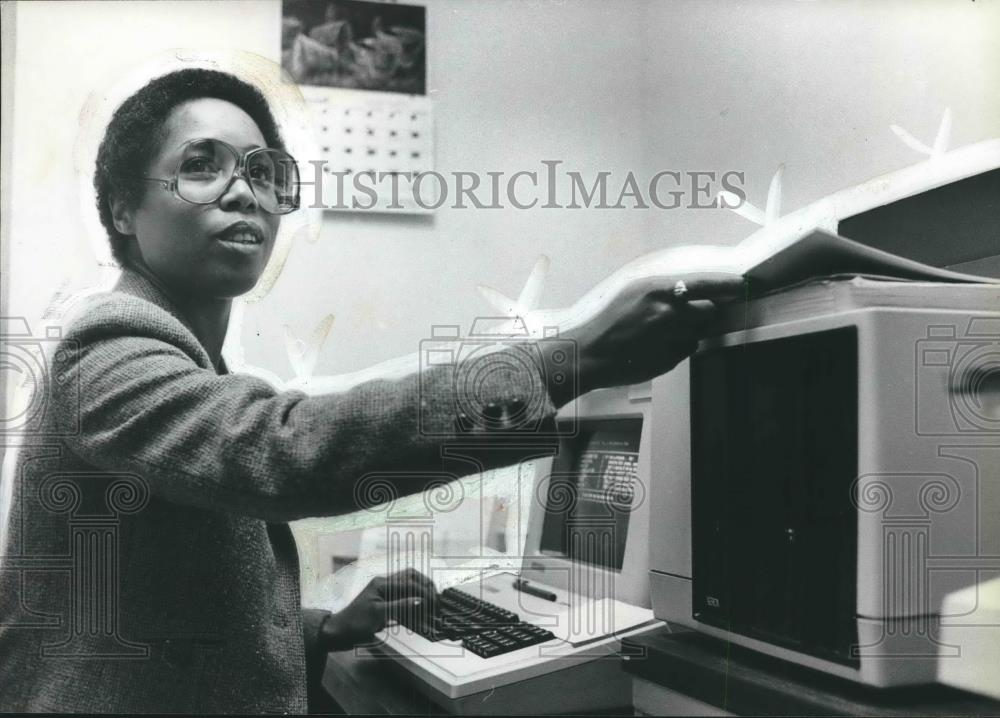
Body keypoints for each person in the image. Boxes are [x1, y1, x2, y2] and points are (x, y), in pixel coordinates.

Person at [0, 67, 741, 713]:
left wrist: (324, 629)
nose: (244, 192)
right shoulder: (107, 349)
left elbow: (160, 600)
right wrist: (572, 360)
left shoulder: (187, 366)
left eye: (263, 172)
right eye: (203, 165)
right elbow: (284, 450)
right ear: (124, 211)